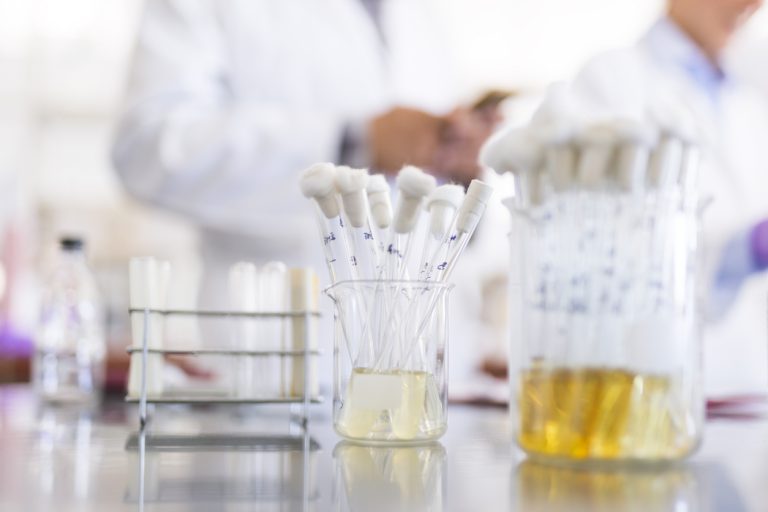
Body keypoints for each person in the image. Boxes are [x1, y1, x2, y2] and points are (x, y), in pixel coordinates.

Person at [572, 0, 768, 396]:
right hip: (650, 388)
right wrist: (742, 250)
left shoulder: (748, 92)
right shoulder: (612, 79)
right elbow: (607, 251)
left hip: (749, 390)